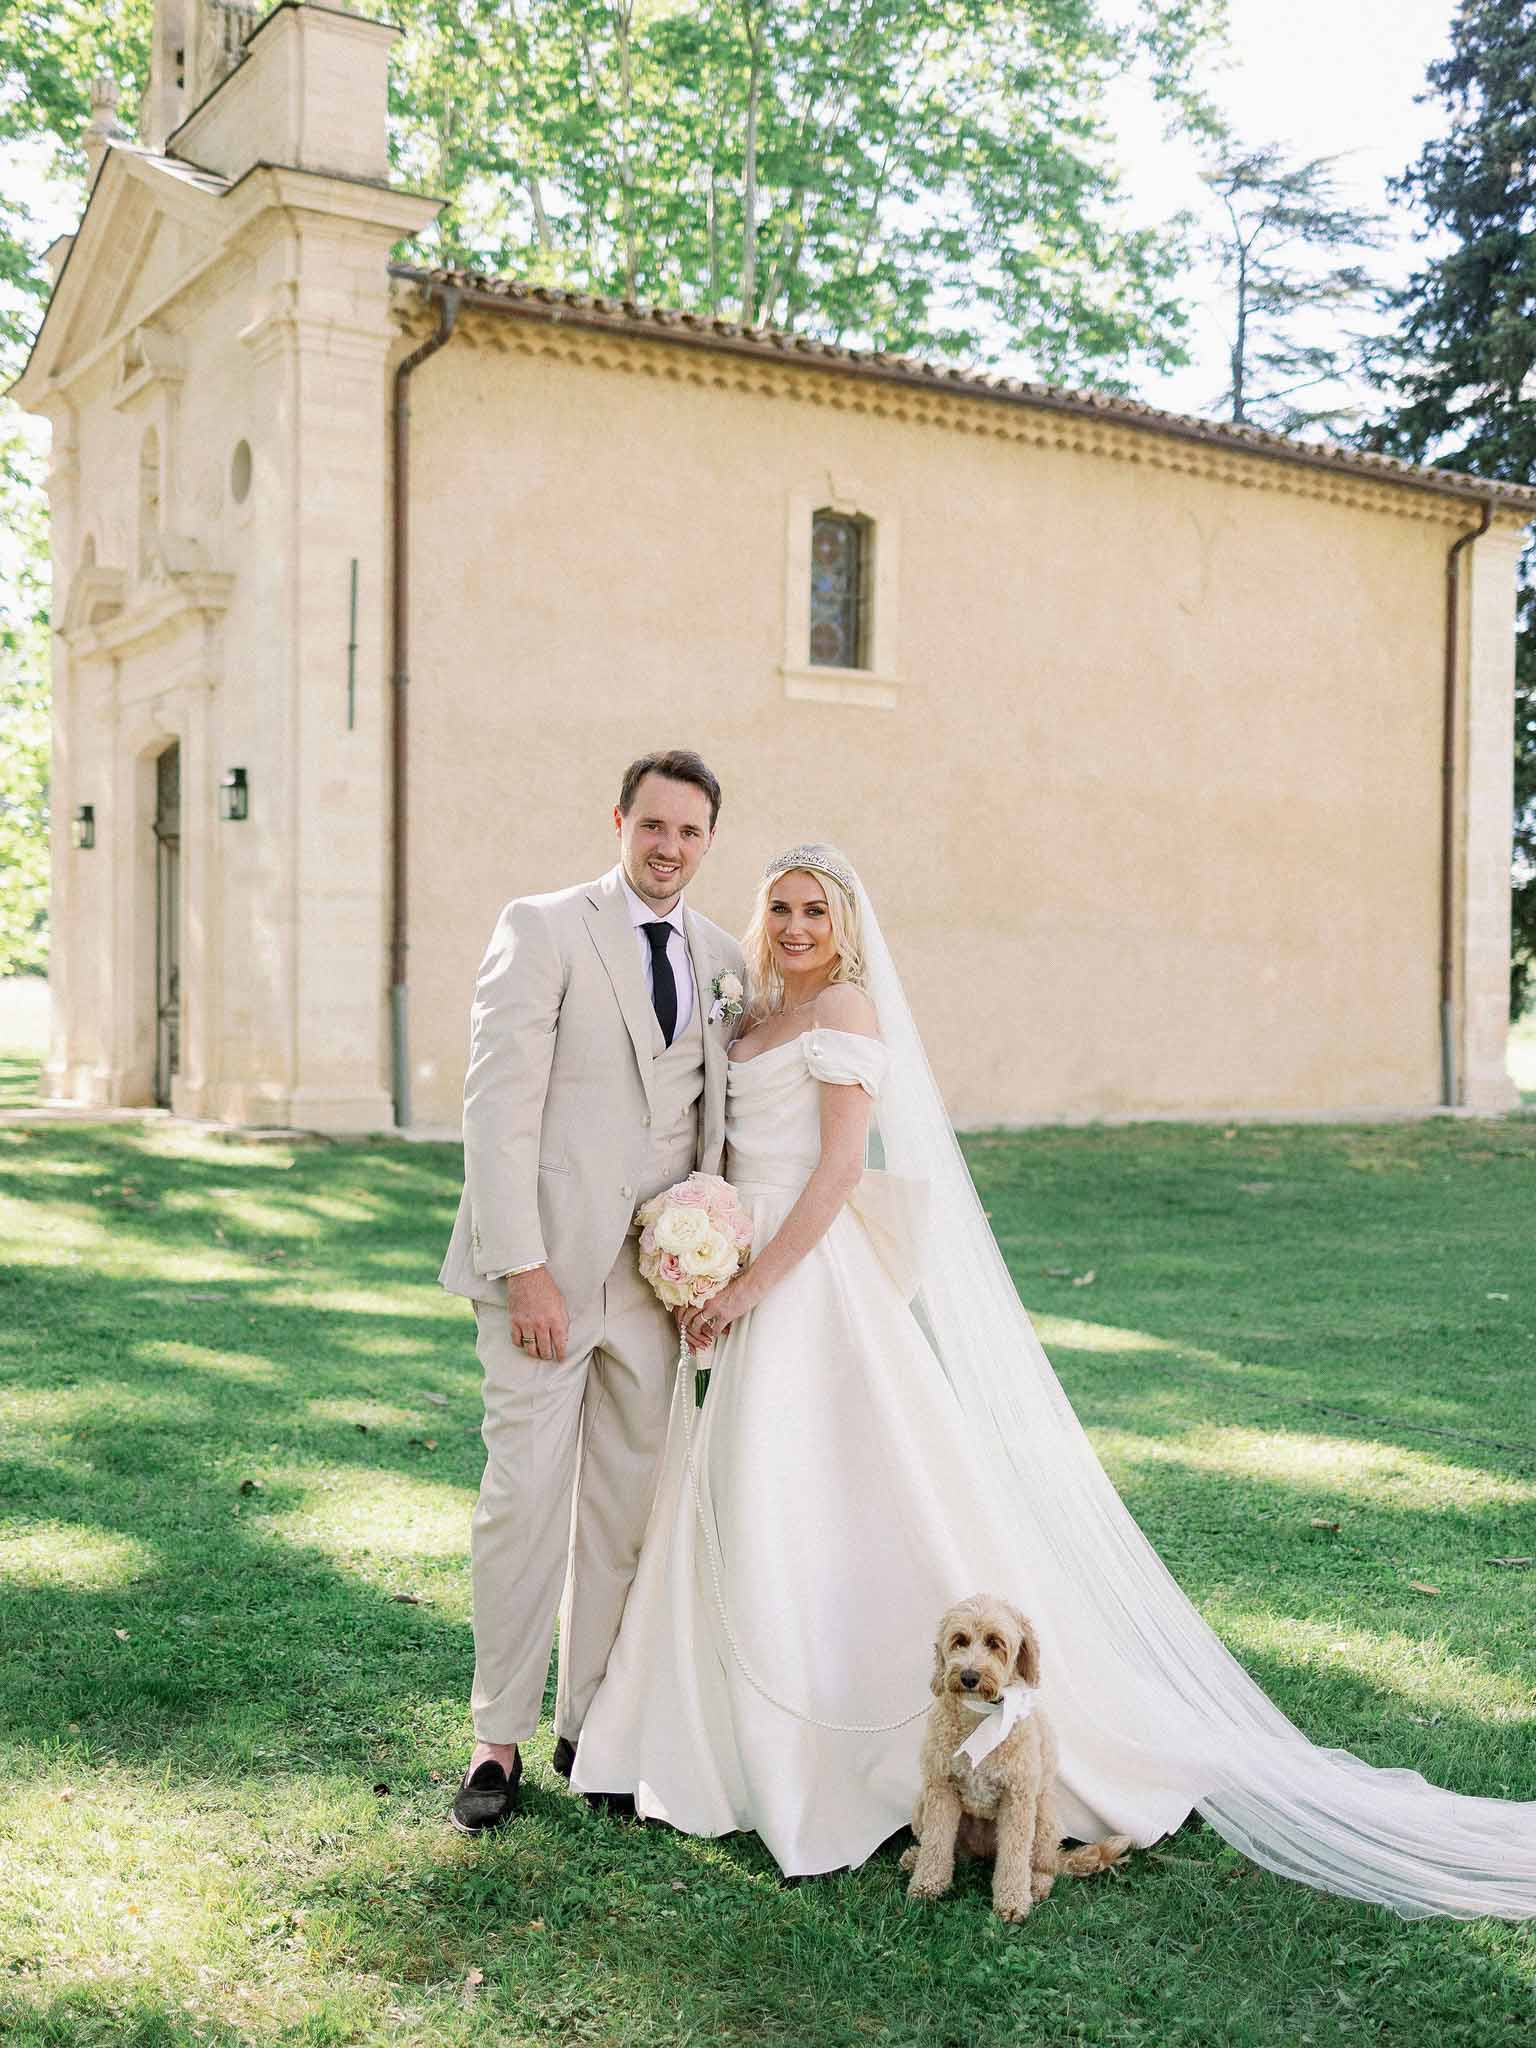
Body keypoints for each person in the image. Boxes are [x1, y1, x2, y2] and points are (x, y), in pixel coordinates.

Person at [573, 843, 1536, 1920]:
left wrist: (748, 1287)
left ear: (844, 926)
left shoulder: (843, 1009)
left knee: (820, 1498)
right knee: (744, 1503)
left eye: (815, 910)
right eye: (781, 907)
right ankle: (695, 1744)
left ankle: (831, 1762)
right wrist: (702, 1243)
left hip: (805, 1282)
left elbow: (840, 1170)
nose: (796, 925)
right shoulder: (748, 1013)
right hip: (741, 1269)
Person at [438, 750, 745, 1833]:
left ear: (710, 839)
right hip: (546, 1272)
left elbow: (720, 1118)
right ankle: (496, 1736)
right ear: (620, 821)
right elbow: (497, 1106)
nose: (668, 847)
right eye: (652, 825)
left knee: (624, 1510)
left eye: (690, 831)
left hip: (657, 1282)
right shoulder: (545, 926)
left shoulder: (721, 956)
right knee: (524, 1500)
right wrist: (522, 1264)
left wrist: (713, 1252)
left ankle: (593, 1730)